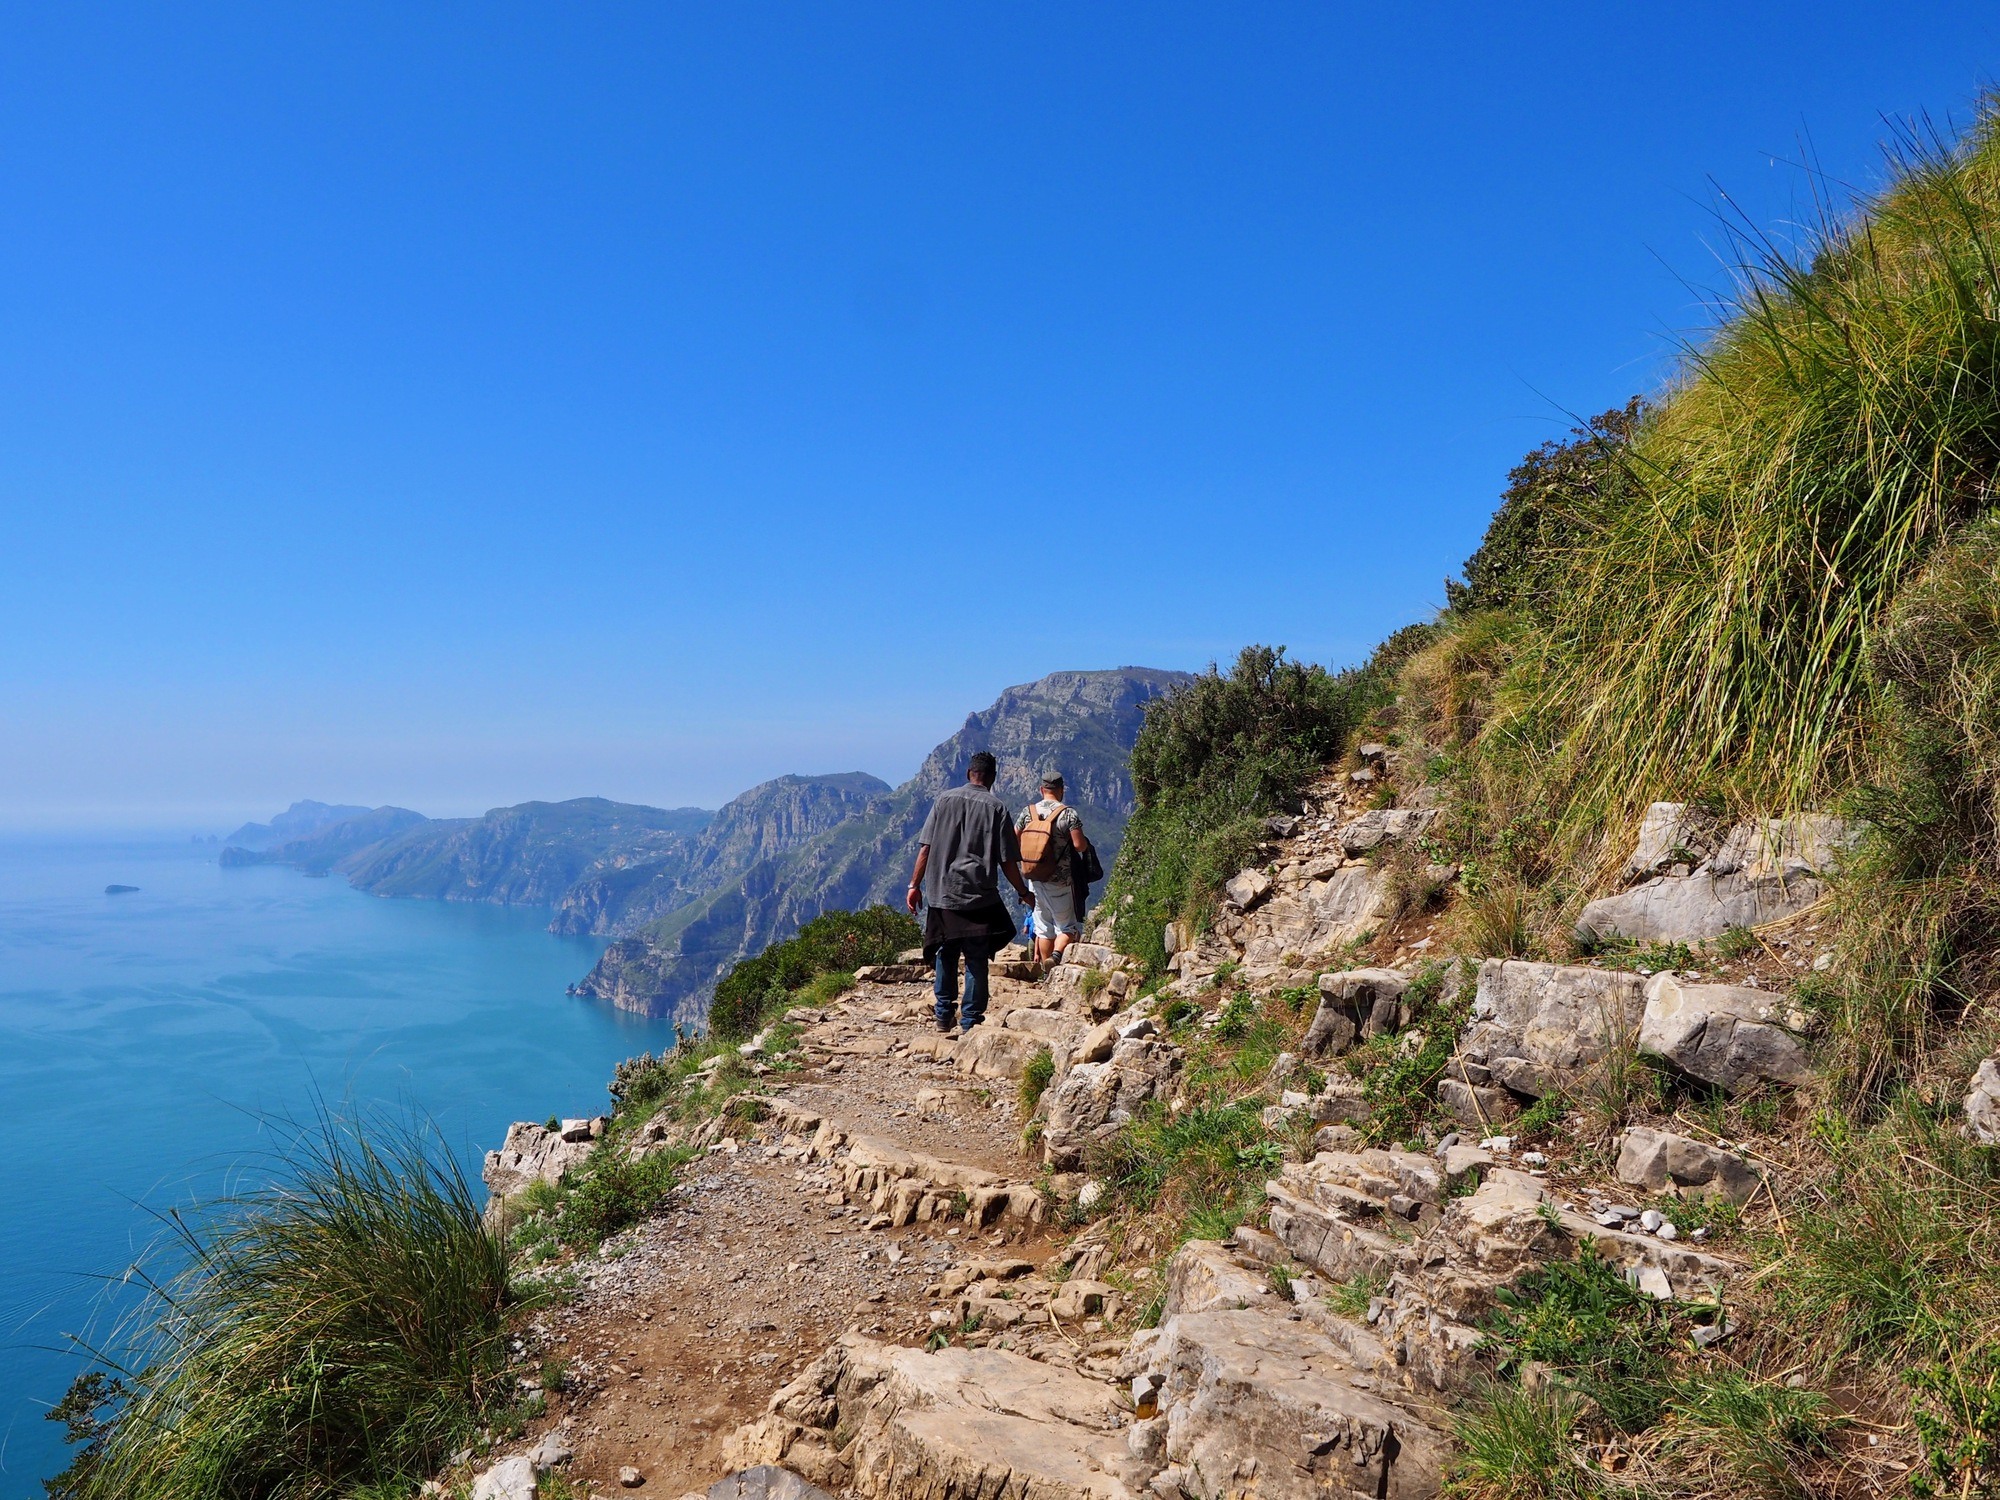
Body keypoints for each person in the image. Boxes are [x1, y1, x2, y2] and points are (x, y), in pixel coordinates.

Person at [907, 751, 1034, 1035]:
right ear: (993, 777)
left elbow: (925, 847)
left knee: (945, 951)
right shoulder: (997, 808)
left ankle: (943, 1015)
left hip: (942, 893)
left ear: (968, 774)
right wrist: (1023, 891)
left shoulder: (943, 800)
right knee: (976, 957)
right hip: (978, 896)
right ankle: (970, 1021)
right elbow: (1007, 861)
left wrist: (914, 886)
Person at [1015, 770, 1089, 964]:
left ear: (1042, 789)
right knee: (1067, 927)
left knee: (1044, 928)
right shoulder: (1068, 813)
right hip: (1061, 880)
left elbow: (1013, 840)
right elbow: (1079, 845)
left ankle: (1046, 973)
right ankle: (1056, 958)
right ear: (1061, 790)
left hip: (1035, 879)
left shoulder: (1027, 812)